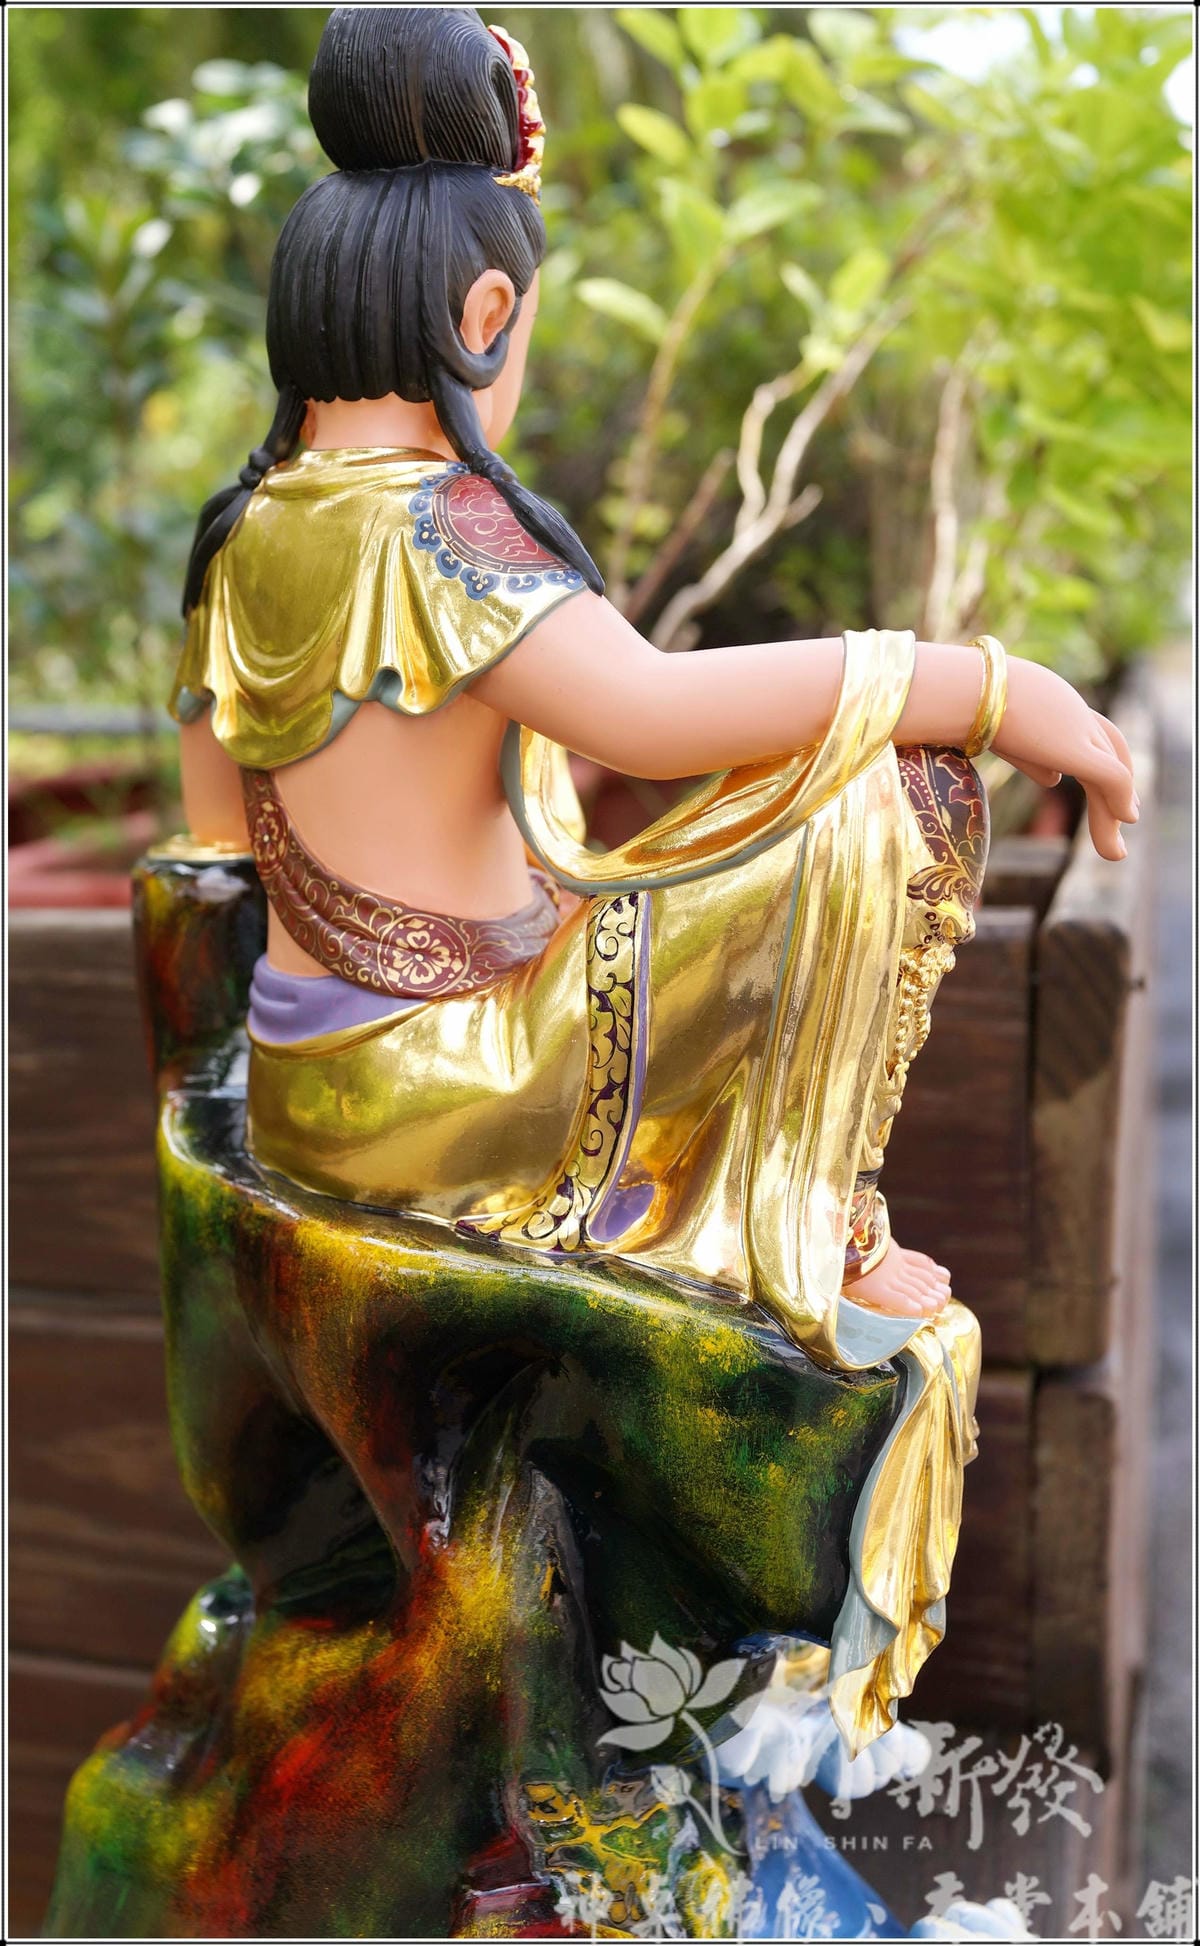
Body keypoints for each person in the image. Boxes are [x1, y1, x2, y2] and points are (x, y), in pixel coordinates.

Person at [170, 5, 1136, 1750]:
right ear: (484, 314)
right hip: (459, 1095)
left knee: (742, 822)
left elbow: (210, 857)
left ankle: (754, 1201)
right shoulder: (438, 530)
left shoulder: (240, 535)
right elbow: (662, 713)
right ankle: (810, 1214)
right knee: (888, 792)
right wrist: (999, 690)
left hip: (313, 1096)